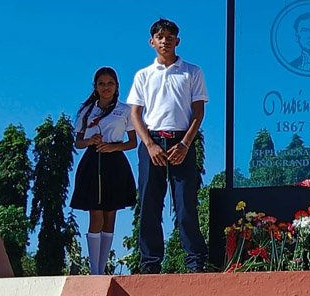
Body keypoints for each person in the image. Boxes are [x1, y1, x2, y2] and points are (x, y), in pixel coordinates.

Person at [127, 18, 209, 274]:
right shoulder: (143, 75)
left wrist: (185, 143)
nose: (165, 40)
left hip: (181, 142)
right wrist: (149, 144)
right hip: (152, 142)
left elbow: (198, 111)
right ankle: (150, 264)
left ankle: (195, 261)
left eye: (170, 36)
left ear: (178, 40)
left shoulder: (192, 71)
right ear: (152, 42)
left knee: (185, 203)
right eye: (160, 36)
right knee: (149, 204)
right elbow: (135, 114)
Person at [70, 66, 137, 275]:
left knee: (110, 213)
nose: (106, 88)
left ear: (117, 86)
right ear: (95, 87)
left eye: (110, 83)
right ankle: (94, 270)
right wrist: (91, 140)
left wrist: (114, 147)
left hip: (115, 162)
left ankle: (102, 267)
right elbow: (78, 142)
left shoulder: (125, 110)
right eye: (101, 84)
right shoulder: (86, 110)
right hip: (93, 161)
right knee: (95, 213)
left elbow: (133, 142)